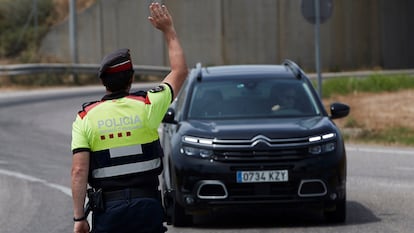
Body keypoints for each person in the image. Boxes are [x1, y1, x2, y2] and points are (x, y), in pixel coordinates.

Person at [70, 2, 188, 233]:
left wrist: (79, 218)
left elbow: (78, 171)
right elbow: (180, 71)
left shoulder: (85, 117)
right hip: (147, 207)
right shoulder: (148, 105)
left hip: (109, 212)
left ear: (103, 82)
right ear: (131, 78)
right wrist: (169, 31)